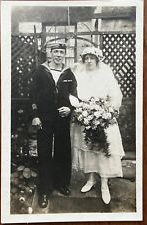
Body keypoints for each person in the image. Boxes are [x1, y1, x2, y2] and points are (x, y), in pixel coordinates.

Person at [71, 47, 125, 204]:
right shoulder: (79, 74)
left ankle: (104, 184)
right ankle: (90, 179)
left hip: (102, 115)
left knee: (102, 149)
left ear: (97, 60)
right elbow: (73, 93)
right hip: (85, 115)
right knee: (87, 148)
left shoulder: (105, 74)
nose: (88, 61)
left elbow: (115, 94)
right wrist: (81, 109)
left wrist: (107, 111)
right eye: (86, 58)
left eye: (91, 58)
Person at [30, 42, 77, 208]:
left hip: (62, 119)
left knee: (63, 150)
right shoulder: (40, 71)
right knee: (44, 152)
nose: (58, 55)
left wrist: (70, 108)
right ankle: (45, 189)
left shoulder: (69, 73)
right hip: (44, 118)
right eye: (55, 52)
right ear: (50, 54)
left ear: (65, 54)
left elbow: (74, 95)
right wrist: (35, 115)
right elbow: (32, 95)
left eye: (61, 52)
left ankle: (61, 183)